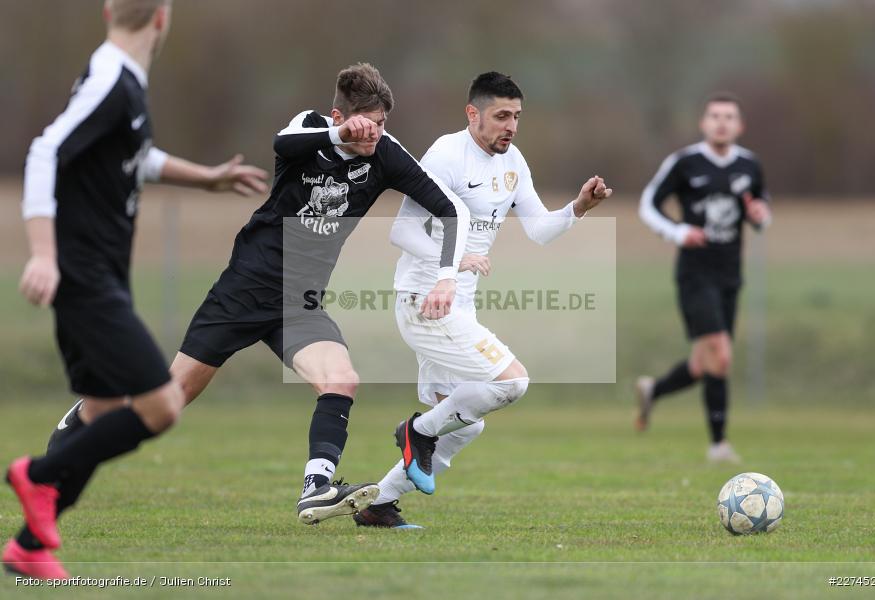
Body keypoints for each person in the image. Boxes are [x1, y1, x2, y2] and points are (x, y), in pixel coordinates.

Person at [41, 62, 472, 531]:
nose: (374, 135)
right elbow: (282, 144)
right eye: (365, 124)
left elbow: (449, 209)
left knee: (341, 379)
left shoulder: (385, 153)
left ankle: (317, 487)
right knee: (171, 397)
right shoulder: (309, 128)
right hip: (246, 286)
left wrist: (446, 275)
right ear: (337, 115)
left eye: (382, 124)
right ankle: (83, 421)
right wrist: (340, 132)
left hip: (300, 301)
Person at [4, 0, 269, 580]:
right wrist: (45, 255)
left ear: (107, 12)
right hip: (85, 276)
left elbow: (135, 158)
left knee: (100, 414)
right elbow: (45, 151)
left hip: (97, 275)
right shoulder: (111, 79)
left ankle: (29, 547)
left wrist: (207, 177)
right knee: (162, 404)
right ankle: (39, 477)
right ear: (162, 18)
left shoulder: (122, 80)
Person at [353, 72, 612, 529]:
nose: (510, 126)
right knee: (511, 384)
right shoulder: (447, 155)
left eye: (516, 117)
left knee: (466, 422)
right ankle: (414, 433)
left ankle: (379, 503)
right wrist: (457, 256)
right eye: (500, 116)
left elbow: (538, 230)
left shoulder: (513, 163)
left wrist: (578, 208)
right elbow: (402, 230)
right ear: (473, 113)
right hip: (426, 301)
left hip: (458, 307)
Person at [635, 91, 772, 463]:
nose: (722, 122)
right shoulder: (685, 162)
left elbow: (761, 212)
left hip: (730, 274)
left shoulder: (750, 166)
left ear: (739, 125)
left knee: (703, 365)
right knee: (722, 356)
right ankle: (719, 445)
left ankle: (654, 390)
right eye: (715, 116)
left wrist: (761, 217)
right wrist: (678, 233)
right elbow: (648, 204)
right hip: (695, 273)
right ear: (704, 123)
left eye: (729, 116)